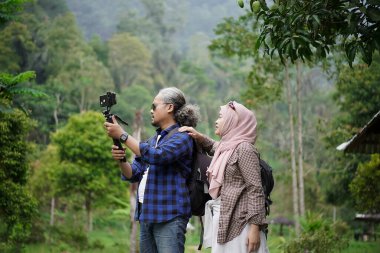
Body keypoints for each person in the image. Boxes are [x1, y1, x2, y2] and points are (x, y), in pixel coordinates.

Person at [104, 87, 200, 253]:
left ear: (169, 107)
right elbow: (133, 173)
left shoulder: (182, 137)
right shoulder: (153, 140)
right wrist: (121, 159)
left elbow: (158, 156)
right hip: (147, 214)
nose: (151, 110)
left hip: (170, 215)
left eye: (154, 106)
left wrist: (123, 135)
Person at [179, 101, 269, 253]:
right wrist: (200, 137)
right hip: (225, 218)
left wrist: (254, 228)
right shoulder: (228, 147)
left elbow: (255, 189)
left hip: (241, 224)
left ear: (233, 121)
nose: (216, 121)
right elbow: (215, 147)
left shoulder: (245, 149)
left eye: (221, 117)